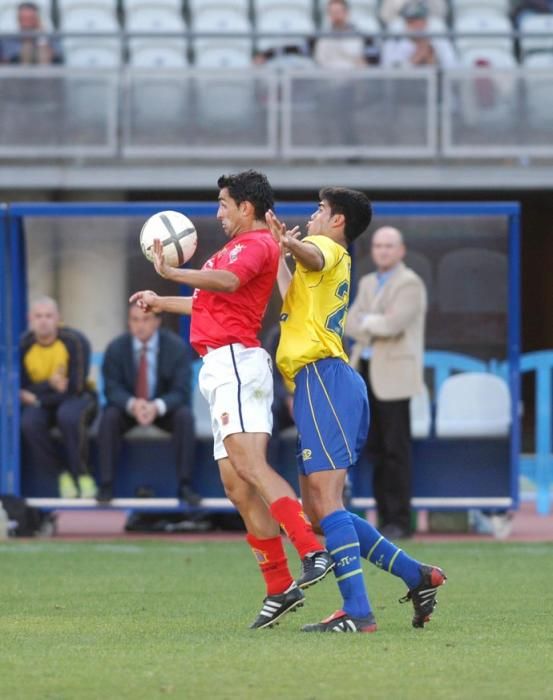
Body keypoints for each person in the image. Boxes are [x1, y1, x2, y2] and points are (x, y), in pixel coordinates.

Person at [130, 170, 333, 629]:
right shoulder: (234, 250)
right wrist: (160, 299)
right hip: (220, 369)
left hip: (237, 364)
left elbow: (223, 283)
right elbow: (210, 299)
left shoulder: (256, 244)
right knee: (237, 486)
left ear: (246, 207)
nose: (218, 213)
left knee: (251, 465)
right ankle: (280, 587)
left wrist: (171, 271)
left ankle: (312, 550)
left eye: (224, 204)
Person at [265, 190, 444, 632]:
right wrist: (279, 255)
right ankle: (416, 575)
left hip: (325, 379)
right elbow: (293, 294)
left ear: (338, 220)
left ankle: (357, 611)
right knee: (319, 510)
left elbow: (314, 255)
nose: (312, 216)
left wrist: (290, 245)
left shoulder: (328, 248)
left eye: (320, 210)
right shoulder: (317, 262)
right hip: (316, 383)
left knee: (328, 503)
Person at [345, 226, 427, 540]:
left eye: (389, 246)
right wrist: (371, 321)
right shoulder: (367, 282)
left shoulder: (410, 283)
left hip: (394, 379)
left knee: (397, 451)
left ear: (401, 250)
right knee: (376, 450)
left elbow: (394, 325)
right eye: (378, 245)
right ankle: (384, 517)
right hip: (366, 374)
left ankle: (401, 520)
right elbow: (351, 323)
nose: (383, 251)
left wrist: (370, 320)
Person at [96, 302, 199, 505]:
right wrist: (133, 404)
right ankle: (106, 485)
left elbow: (181, 391)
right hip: (129, 409)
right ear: (129, 322)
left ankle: (185, 485)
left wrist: (156, 406)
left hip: (163, 410)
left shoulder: (176, 347)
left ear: (157, 322)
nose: (140, 326)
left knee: (185, 417)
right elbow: (111, 388)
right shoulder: (116, 348)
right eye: (135, 320)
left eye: (145, 319)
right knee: (109, 417)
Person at [19, 296, 97, 498]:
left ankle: (83, 474)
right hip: (44, 404)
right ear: (30, 319)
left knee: (68, 415)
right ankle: (61, 475)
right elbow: (21, 387)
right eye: (38, 316)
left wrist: (37, 396)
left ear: (58, 318)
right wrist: (49, 385)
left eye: (48, 316)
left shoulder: (74, 341)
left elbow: (75, 387)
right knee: (28, 422)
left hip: (80, 398)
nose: (43, 321)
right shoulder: (24, 345)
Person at [380, 0, 457, 69]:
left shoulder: (436, 33)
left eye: (420, 20)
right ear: (405, 22)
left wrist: (432, 58)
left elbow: (451, 65)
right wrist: (416, 58)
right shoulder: (397, 37)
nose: (417, 25)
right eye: (411, 21)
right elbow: (388, 70)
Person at [379, 0, 449, 26]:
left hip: (426, 25)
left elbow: (441, 13)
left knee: (438, 25)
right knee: (395, 26)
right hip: (404, 27)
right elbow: (385, 16)